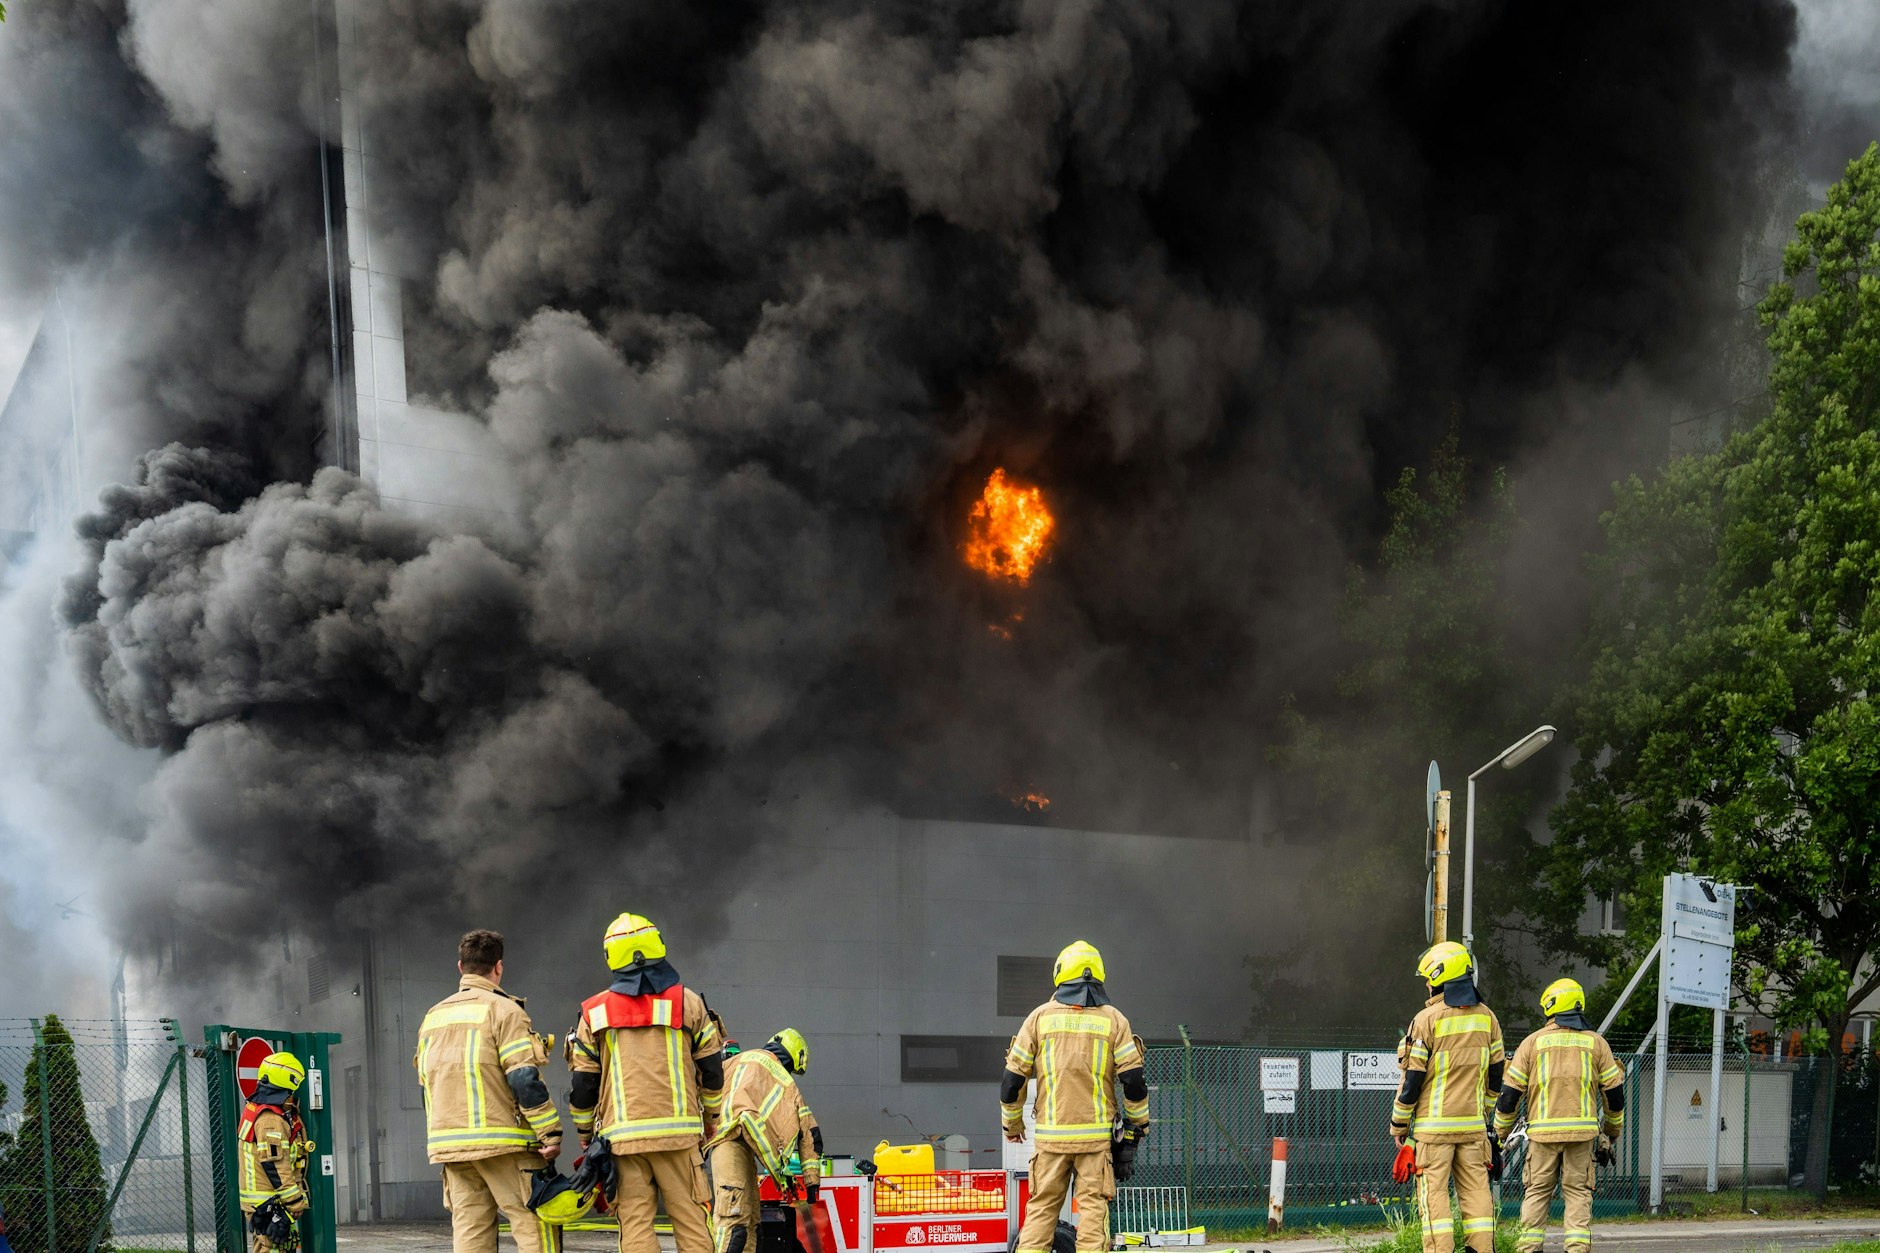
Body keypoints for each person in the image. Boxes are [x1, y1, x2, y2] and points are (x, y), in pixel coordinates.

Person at [567, 912, 725, 1253]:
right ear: (658, 946)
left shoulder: (594, 1012)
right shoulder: (688, 1001)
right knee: (691, 1220)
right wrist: (711, 1121)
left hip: (624, 1142)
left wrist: (585, 1136)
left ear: (612, 956)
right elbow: (712, 1070)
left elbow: (583, 1086)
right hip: (679, 1140)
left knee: (636, 1225)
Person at [415, 929, 564, 1253]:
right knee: (535, 1226)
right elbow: (523, 1077)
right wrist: (550, 1133)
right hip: (504, 1146)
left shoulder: (432, 1017)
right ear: (498, 967)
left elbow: (425, 1085)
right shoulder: (505, 1011)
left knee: (471, 1235)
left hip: (453, 1148)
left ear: (460, 967)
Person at [1000, 941, 1150, 1253]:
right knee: (1093, 1213)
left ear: (1059, 973)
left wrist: (1012, 1125)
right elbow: (1133, 1082)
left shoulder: (1038, 1019)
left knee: (1041, 1212)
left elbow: (1011, 1082)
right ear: (1099, 974)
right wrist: (1136, 1130)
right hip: (1095, 1144)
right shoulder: (1114, 1020)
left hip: (1051, 1141)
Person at [1493, 978, 1626, 1253]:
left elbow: (1509, 1097)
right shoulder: (1596, 1044)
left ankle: (1528, 1248)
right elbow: (1614, 1097)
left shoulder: (1532, 1044)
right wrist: (1611, 1133)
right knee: (1577, 1193)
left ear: (1550, 1008)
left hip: (1542, 1138)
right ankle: (1576, 1248)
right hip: (1581, 1137)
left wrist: (1500, 1134)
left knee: (1537, 1192)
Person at [1389, 941, 1505, 1253]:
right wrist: (1485, 1115)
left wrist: (1399, 1128)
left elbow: (1411, 1083)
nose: (1427, 984)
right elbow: (1496, 1078)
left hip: (1433, 1132)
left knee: (1434, 1197)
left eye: (1429, 978)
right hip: (1472, 1129)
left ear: (1441, 978)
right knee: (1478, 1194)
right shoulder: (1488, 1019)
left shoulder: (1426, 1020)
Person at [706, 1028, 822, 1253]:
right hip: (730, 1144)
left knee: (749, 1222)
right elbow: (810, 1133)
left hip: (734, 1145)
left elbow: (705, 1086)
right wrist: (811, 1182)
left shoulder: (736, 1060)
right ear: (791, 1057)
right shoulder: (784, 1080)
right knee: (734, 1222)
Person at [239, 1051, 313, 1252]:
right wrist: (294, 1200)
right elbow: (274, 1164)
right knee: (272, 1248)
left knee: (284, 1247)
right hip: (269, 1202)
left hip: (266, 1201)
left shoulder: (258, 1109)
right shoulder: (271, 1119)